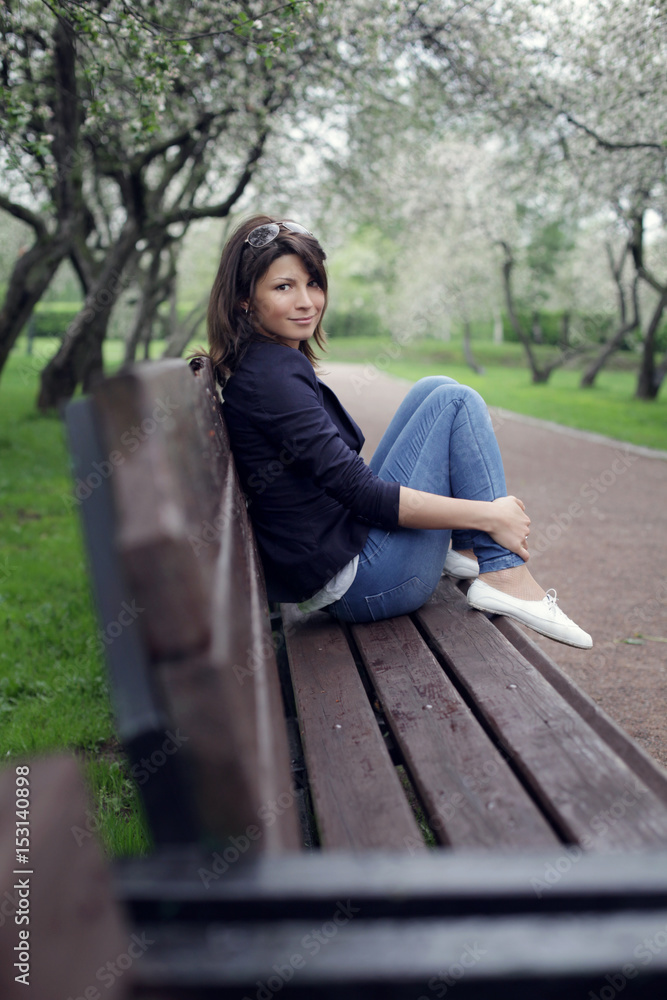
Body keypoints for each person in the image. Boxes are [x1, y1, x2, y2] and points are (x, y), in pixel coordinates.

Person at [205, 215, 592, 648]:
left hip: (346, 563)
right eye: (283, 287)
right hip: (366, 584)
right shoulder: (272, 379)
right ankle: (504, 570)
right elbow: (364, 494)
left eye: (313, 283)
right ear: (244, 300)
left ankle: (468, 551)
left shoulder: (267, 364)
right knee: (456, 401)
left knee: (436, 388)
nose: (307, 302)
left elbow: (352, 488)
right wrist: (489, 514)